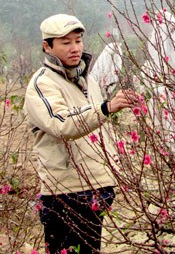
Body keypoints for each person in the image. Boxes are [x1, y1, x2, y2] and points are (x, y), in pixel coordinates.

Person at [24, 14, 135, 254]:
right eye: (65, 43)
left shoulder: (88, 81)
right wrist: (106, 108)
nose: (74, 48)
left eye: (78, 41)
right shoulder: (42, 84)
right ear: (47, 46)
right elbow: (61, 124)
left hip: (97, 185)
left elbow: (98, 130)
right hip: (65, 192)